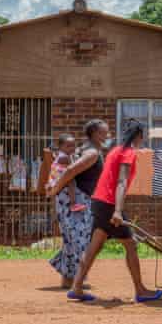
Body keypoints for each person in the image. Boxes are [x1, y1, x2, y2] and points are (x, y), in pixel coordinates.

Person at [67, 119, 162, 303]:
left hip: (99, 201)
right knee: (130, 244)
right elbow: (121, 182)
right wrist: (118, 211)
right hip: (110, 204)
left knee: (94, 246)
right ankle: (141, 291)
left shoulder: (115, 151)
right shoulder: (128, 153)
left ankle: (77, 287)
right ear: (139, 136)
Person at [48, 120, 108, 289]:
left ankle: (68, 279)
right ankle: (76, 280)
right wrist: (54, 189)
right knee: (79, 240)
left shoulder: (83, 150)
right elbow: (69, 171)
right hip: (76, 201)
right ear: (95, 133)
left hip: (75, 199)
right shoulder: (91, 153)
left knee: (72, 240)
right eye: (104, 133)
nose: (107, 136)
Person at [47, 134, 87, 213]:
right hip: (57, 179)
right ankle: (73, 204)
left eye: (73, 146)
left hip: (59, 178)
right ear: (61, 147)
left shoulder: (65, 155)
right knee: (71, 181)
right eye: (68, 146)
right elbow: (73, 166)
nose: (72, 148)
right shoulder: (65, 157)